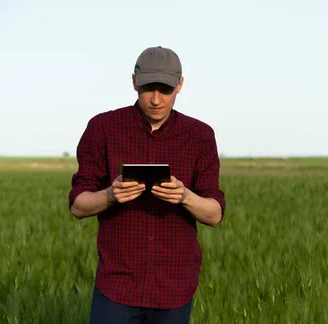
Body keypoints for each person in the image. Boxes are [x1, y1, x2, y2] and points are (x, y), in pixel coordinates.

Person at [68, 46, 226, 324]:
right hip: (116, 288)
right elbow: (78, 206)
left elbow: (214, 215)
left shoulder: (200, 135)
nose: (155, 99)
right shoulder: (103, 128)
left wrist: (185, 197)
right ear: (133, 82)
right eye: (147, 88)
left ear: (180, 84)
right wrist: (110, 195)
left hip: (174, 290)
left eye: (164, 89)